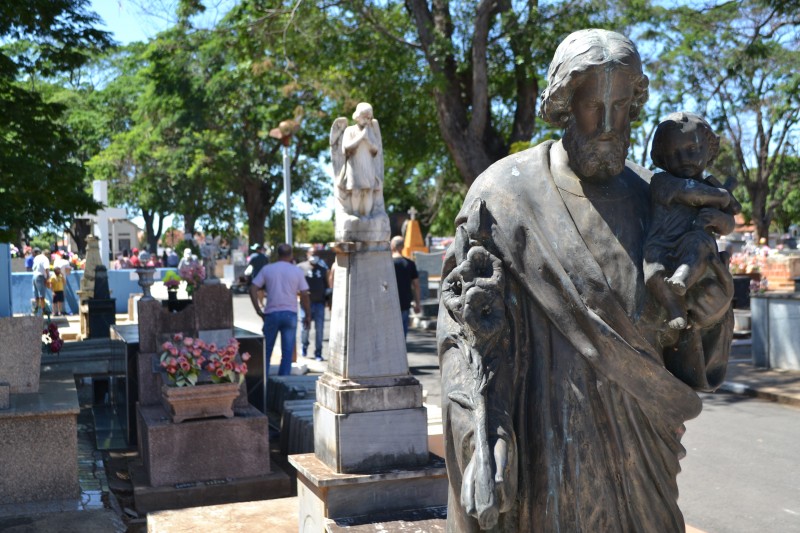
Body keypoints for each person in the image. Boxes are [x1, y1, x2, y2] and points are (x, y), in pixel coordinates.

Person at [437, 29, 734, 532]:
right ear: (564, 103)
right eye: (595, 104)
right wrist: (483, 436)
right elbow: (466, 335)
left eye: (622, 105)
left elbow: (689, 346)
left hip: (643, 466)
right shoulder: (506, 197)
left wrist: (708, 320)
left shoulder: (660, 199)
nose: (609, 124)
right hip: (541, 457)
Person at [645, 112, 741, 329]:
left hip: (698, 247)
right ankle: (674, 307)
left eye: (692, 150)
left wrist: (719, 217)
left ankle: (682, 279)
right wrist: (722, 196)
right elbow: (690, 193)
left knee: (697, 246)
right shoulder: (662, 182)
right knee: (653, 274)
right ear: (662, 158)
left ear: (709, 151)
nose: (684, 159)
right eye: (674, 153)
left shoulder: (710, 185)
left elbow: (729, 225)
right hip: (662, 244)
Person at [249, 243, 311, 376]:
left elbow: (253, 288)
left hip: (271, 313)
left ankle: (263, 382)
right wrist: (308, 315)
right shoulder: (296, 271)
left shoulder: (268, 269)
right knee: (287, 352)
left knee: (266, 351)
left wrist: (258, 310)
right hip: (290, 314)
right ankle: (283, 382)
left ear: (278, 254)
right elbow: (305, 294)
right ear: (291, 255)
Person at [297, 248, 329, 360]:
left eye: (316, 254)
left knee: (319, 329)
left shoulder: (323, 269)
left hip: (319, 303)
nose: (314, 256)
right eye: (312, 254)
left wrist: (328, 301)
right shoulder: (300, 267)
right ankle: (304, 346)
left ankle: (318, 352)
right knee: (305, 328)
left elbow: (327, 286)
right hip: (306, 304)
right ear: (307, 254)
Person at [391, 235, 421, 338]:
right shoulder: (410, 264)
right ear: (402, 247)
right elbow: (416, 285)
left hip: (389, 304)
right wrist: (417, 303)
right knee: (402, 337)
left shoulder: (387, 264)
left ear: (393, 246)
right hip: (404, 304)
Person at [31, 247, 51, 315]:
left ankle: (36, 307)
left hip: (34, 276)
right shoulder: (45, 259)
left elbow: (33, 267)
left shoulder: (36, 257)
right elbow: (46, 268)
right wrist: (48, 277)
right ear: (47, 254)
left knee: (36, 294)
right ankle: (43, 309)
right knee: (42, 295)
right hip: (40, 276)